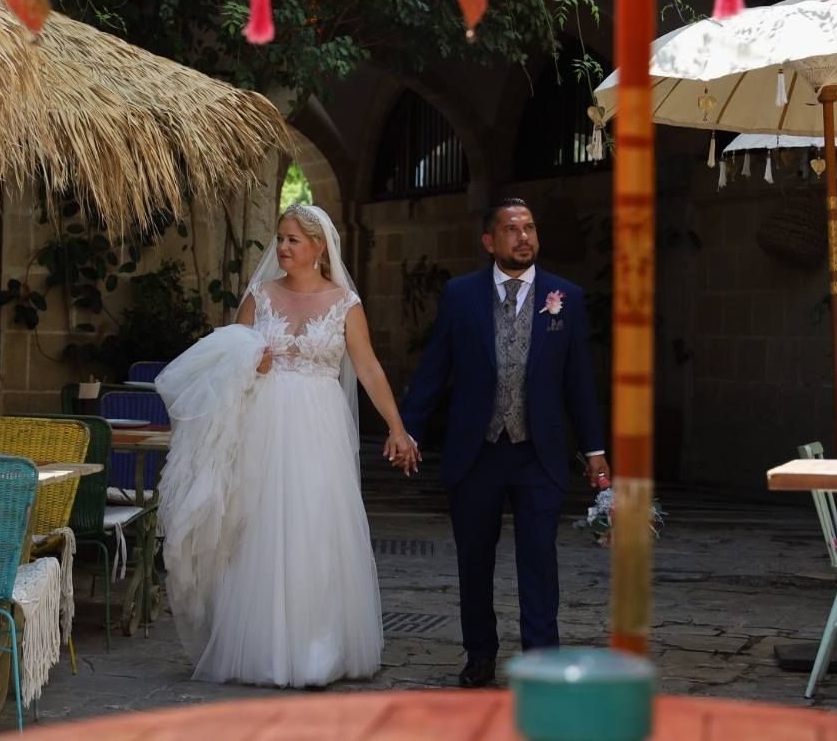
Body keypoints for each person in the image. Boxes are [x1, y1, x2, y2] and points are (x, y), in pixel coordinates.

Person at [153, 204, 420, 688]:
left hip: (319, 426)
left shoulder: (345, 303)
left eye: (293, 239)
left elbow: (369, 369)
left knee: (315, 525)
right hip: (264, 424)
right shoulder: (260, 296)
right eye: (279, 239)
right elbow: (229, 360)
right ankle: (260, 648)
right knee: (258, 525)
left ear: (320, 247)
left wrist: (396, 428)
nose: (282, 248)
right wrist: (252, 364)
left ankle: (318, 648)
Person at [400, 197, 609, 688]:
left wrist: (595, 448)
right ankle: (480, 655)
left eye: (530, 228)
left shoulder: (566, 297)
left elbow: (579, 380)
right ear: (490, 241)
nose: (524, 238)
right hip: (478, 450)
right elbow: (435, 370)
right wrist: (407, 429)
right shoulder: (460, 295)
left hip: (539, 452)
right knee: (475, 560)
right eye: (512, 230)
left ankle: (542, 663)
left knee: (539, 559)